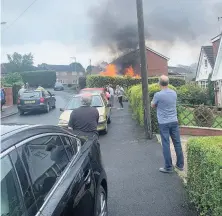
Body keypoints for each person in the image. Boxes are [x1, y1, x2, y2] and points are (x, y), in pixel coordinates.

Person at [151, 75, 184, 173]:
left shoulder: (158, 95)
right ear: (168, 83)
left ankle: (168, 167)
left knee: (166, 144)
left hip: (163, 123)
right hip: (174, 121)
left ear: (159, 83)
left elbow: (152, 105)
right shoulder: (174, 93)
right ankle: (180, 165)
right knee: (177, 143)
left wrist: (157, 104)